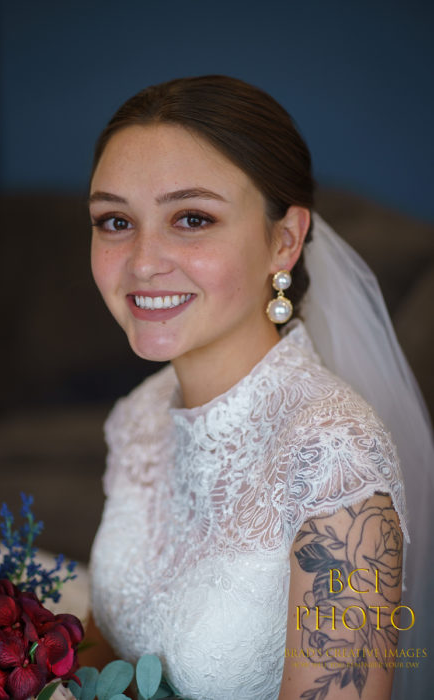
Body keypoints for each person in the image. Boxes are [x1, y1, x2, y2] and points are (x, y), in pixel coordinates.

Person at [85, 75, 434, 700]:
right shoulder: (139, 416)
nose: (142, 262)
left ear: (285, 240)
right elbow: (109, 652)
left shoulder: (337, 456)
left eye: (192, 218)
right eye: (115, 221)